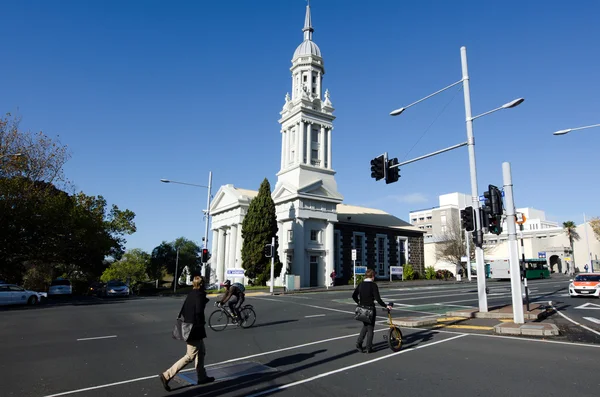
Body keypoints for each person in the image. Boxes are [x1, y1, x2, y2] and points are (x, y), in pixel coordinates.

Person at [159, 272, 214, 392]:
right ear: (202, 284)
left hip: (190, 327)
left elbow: (185, 310)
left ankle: (202, 377)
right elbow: (199, 312)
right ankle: (167, 375)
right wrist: (201, 323)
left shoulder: (191, 294)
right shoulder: (199, 295)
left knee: (201, 352)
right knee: (190, 356)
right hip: (194, 329)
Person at [352, 269, 392, 353]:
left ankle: (359, 343)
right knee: (370, 328)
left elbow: (354, 295)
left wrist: (359, 302)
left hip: (361, 309)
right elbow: (378, 299)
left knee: (366, 326)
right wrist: (386, 305)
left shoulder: (361, 284)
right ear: (372, 276)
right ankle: (369, 347)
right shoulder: (373, 285)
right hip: (370, 309)